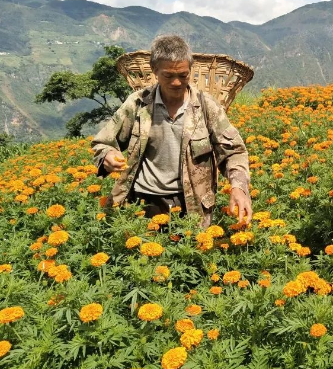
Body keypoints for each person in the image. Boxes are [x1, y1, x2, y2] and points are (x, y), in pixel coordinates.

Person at [91, 35, 252, 227]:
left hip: (192, 206)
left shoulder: (206, 106)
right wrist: (107, 154)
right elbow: (103, 142)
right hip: (144, 203)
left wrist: (239, 187)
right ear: (155, 71)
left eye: (183, 75)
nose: (176, 82)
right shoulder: (138, 104)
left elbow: (233, 151)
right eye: (168, 75)